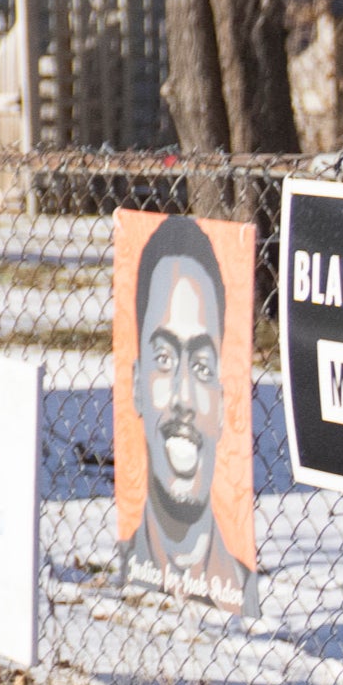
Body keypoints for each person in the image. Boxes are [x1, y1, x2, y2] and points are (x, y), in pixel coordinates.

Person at [121, 214, 250, 605]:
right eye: (163, 357)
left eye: (201, 366)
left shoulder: (236, 583)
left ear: (225, 399)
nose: (182, 398)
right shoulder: (132, 556)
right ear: (137, 385)